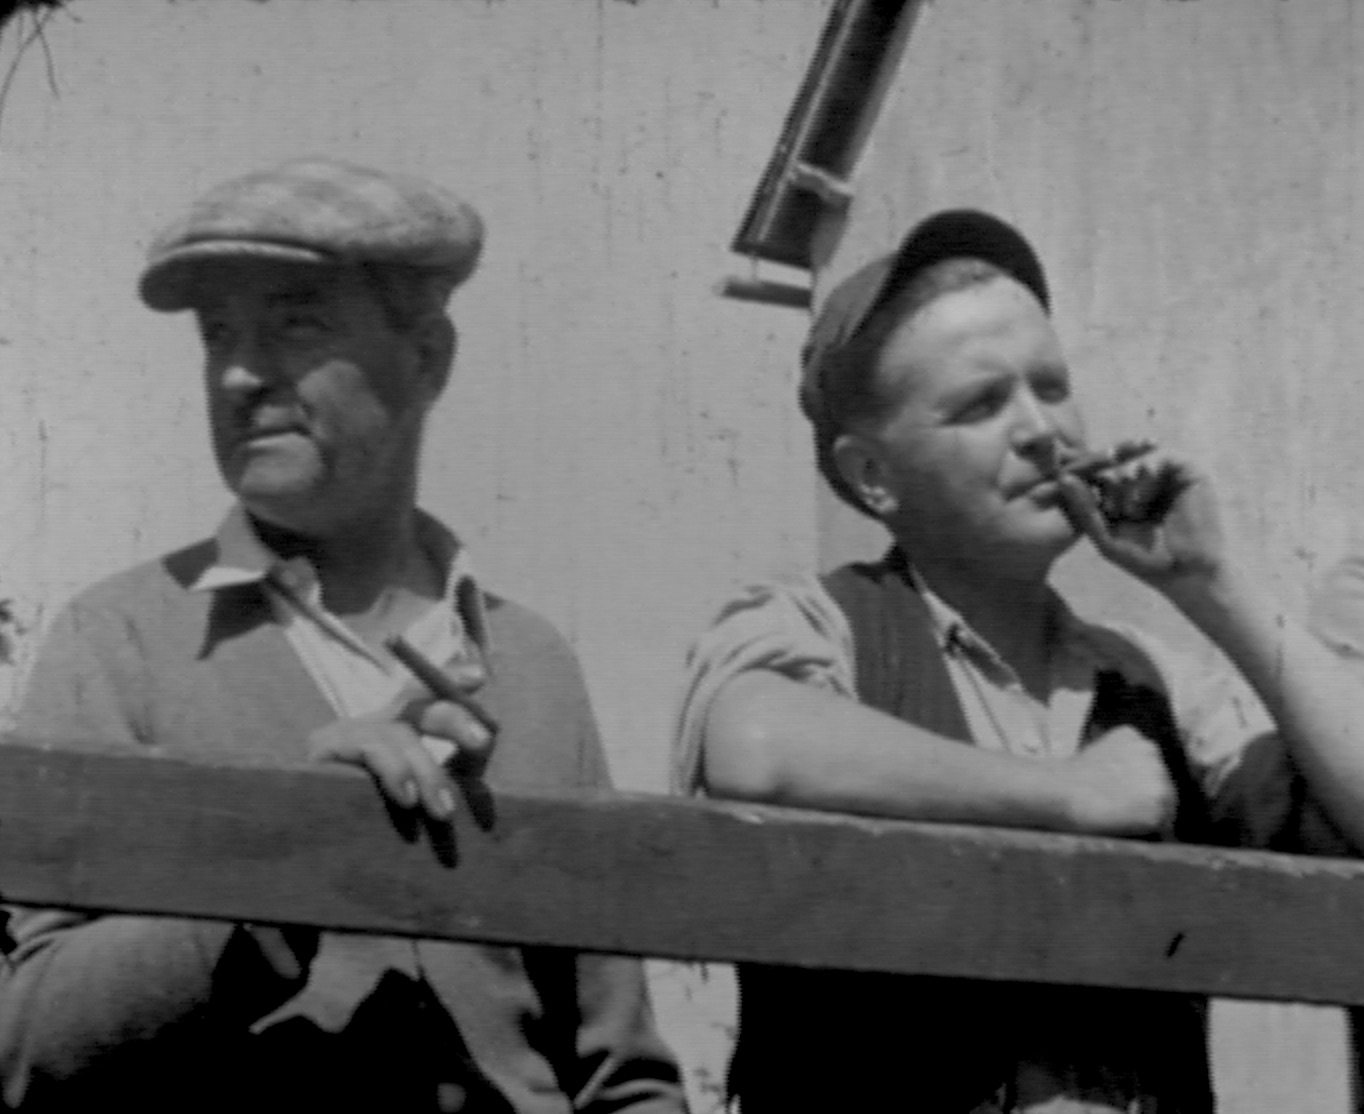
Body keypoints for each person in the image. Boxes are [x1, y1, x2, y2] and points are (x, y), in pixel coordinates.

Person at [0, 158, 687, 1114]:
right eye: (216, 335)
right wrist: (284, 854)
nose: (239, 374)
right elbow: (27, 1047)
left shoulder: (530, 663)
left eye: (296, 325)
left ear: (428, 357)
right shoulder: (121, 639)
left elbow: (622, 1075)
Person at [673, 209, 1364, 1113]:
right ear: (873, 475)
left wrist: (1211, 584)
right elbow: (756, 744)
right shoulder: (823, 624)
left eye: (1052, 385)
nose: (1042, 429)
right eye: (981, 405)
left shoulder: (1149, 677)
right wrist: (1067, 794)